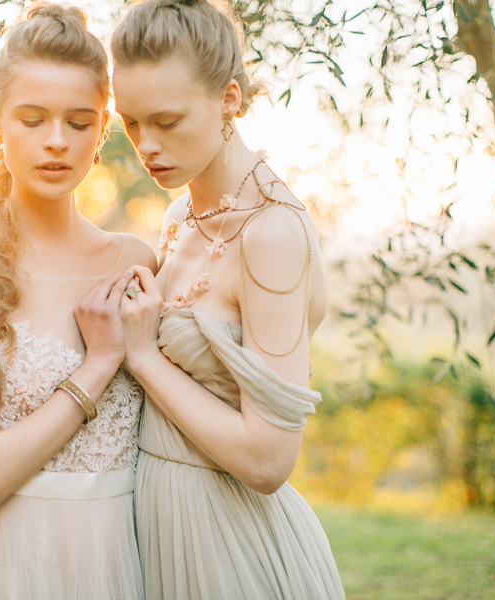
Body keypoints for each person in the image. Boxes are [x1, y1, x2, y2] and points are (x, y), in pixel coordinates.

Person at [0, 4, 155, 599]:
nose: (56, 142)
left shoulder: (139, 261)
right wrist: (98, 366)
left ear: (103, 131)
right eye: (32, 118)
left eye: (78, 122)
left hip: (120, 565)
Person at [109, 0, 346, 598]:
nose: (147, 145)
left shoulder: (272, 233)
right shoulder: (178, 213)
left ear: (229, 100)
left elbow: (268, 462)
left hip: (231, 545)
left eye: (167, 120)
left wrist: (144, 357)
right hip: (156, 529)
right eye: (131, 123)